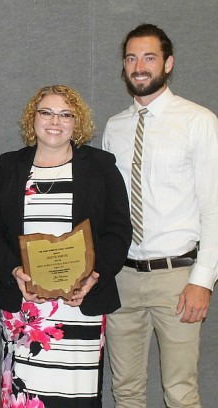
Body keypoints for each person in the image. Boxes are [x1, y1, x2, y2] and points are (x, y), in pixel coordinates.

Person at [0, 85, 131, 407]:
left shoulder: (101, 167)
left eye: (66, 114)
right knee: (25, 398)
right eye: (46, 112)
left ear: (78, 123)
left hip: (80, 307)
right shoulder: (9, 166)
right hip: (25, 309)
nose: (55, 121)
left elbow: (119, 231)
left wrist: (95, 275)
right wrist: (14, 271)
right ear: (32, 119)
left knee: (76, 397)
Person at [102, 23, 218, 408]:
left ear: (167, 64)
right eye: (132, 58)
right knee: (126, 391)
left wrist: (203, 279)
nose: (139, 65)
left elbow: (213, 206)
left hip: (177, 280)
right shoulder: (115, 128)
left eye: (149, 57)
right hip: (123, 278)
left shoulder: (198, 121)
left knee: (181, 392)